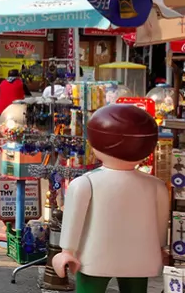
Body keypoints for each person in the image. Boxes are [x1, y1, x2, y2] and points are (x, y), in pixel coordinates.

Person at [53, 104, 167, 293]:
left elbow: (74, 221)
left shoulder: (85, 183)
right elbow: (161, 223)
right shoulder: (156, 186)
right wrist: (162, 248)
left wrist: (66, 251)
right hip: (140, 259)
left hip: (94, 257)